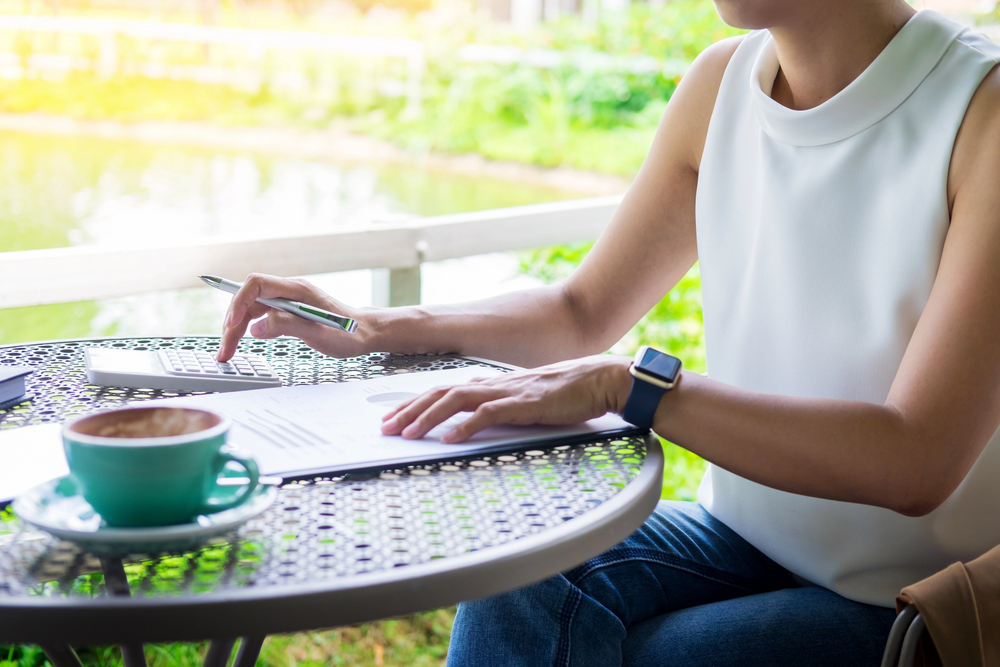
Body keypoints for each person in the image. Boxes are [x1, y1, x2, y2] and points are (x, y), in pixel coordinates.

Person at [216, 0, 1000, 662]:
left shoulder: (981, 109)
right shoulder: (719, 86)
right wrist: (374, 325)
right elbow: (580, 313)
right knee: (514, 573)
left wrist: (634, 386)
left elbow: (915, 458)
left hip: (915, 593)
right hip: (743, 537)